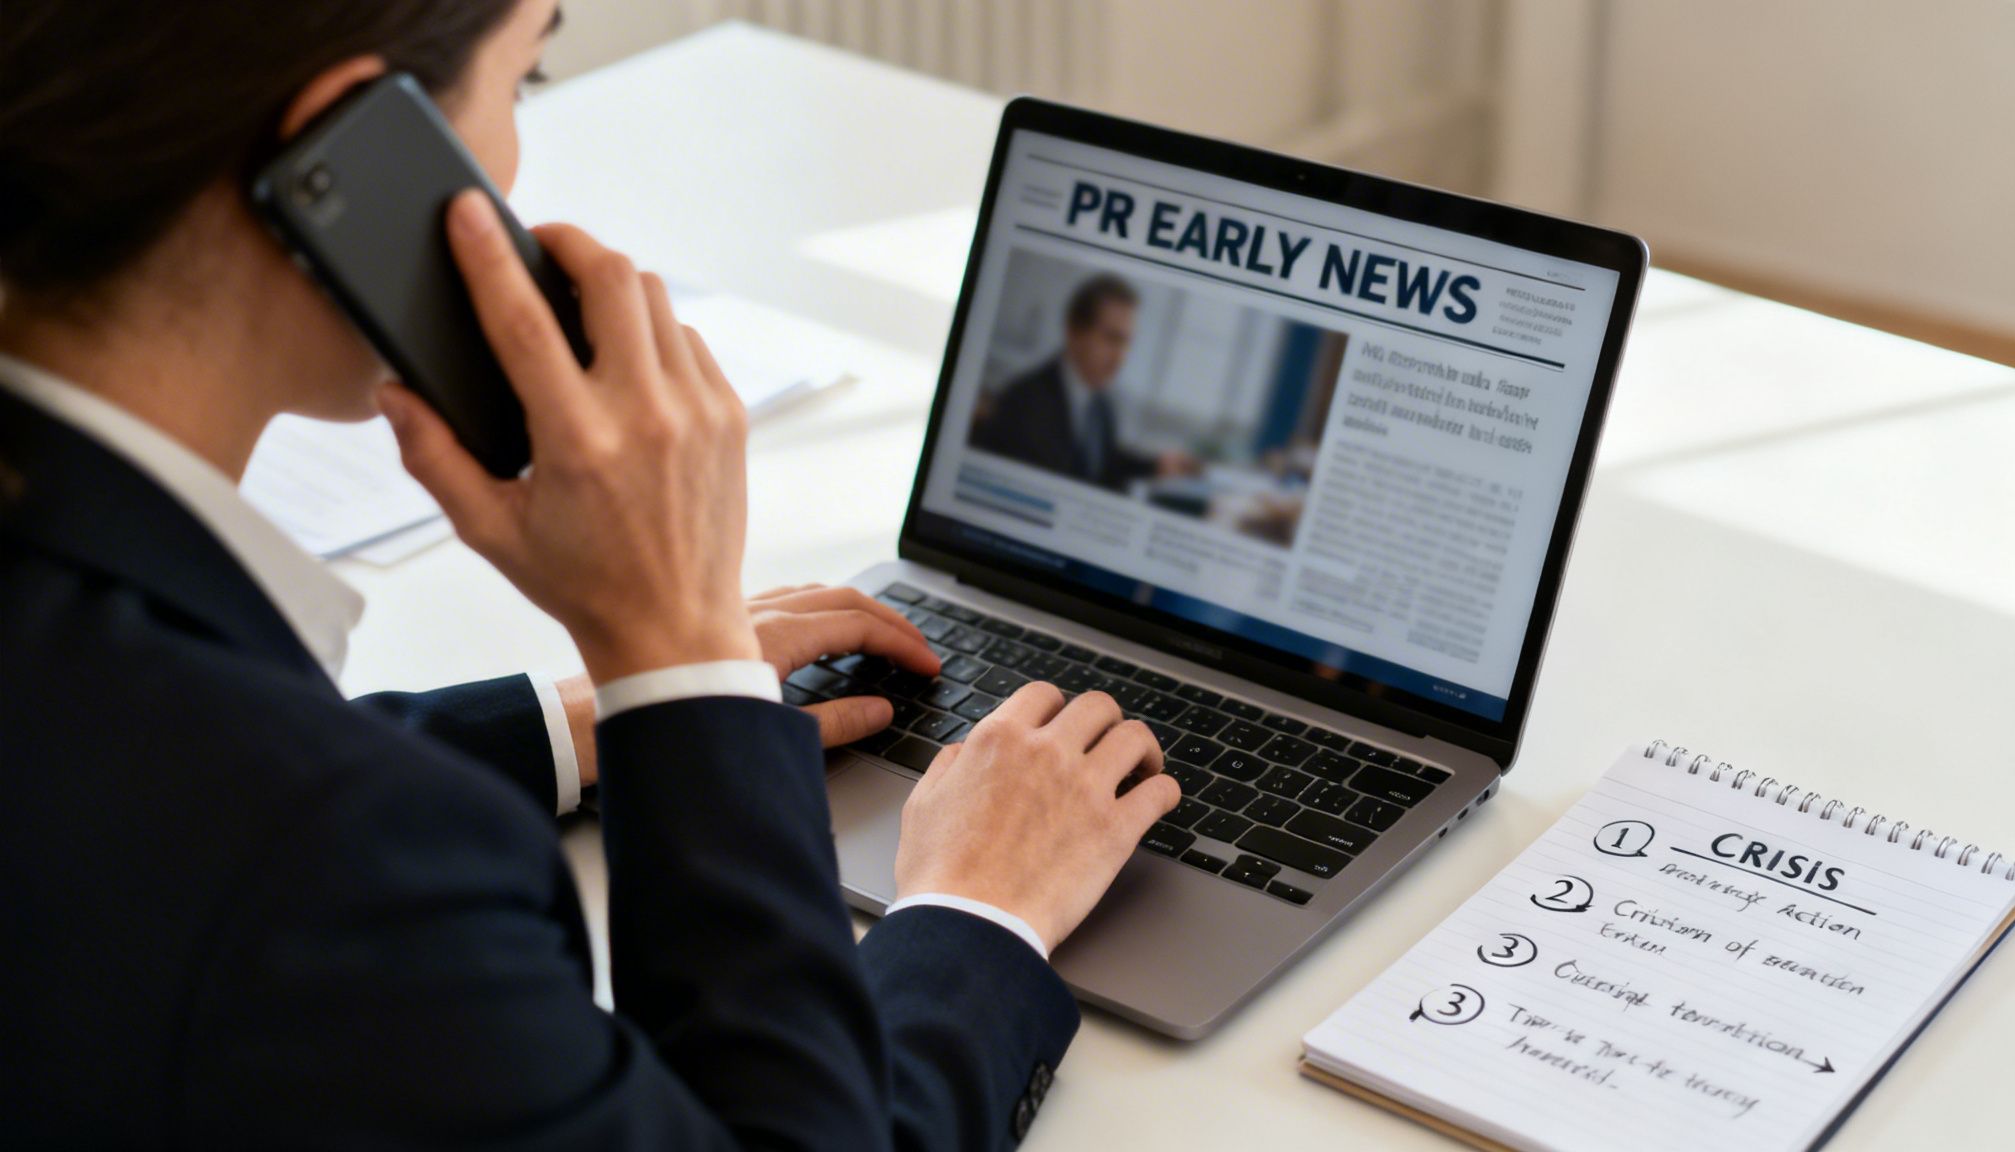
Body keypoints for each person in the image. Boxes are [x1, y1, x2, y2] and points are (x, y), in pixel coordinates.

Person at [0, 2, 1179, 1147]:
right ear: (348, 155)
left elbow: (149, 766)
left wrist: (580, 723)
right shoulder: (337, 866)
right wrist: (967, 907)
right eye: (522, 80)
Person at [972, 274, 1200, 491]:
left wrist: (1155, 465)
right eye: (1112, 338)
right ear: (1074, 332)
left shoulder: (1101, 405)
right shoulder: (1023, 404)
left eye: (1126, 343)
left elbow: (1101, 464)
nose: (1120, 357)